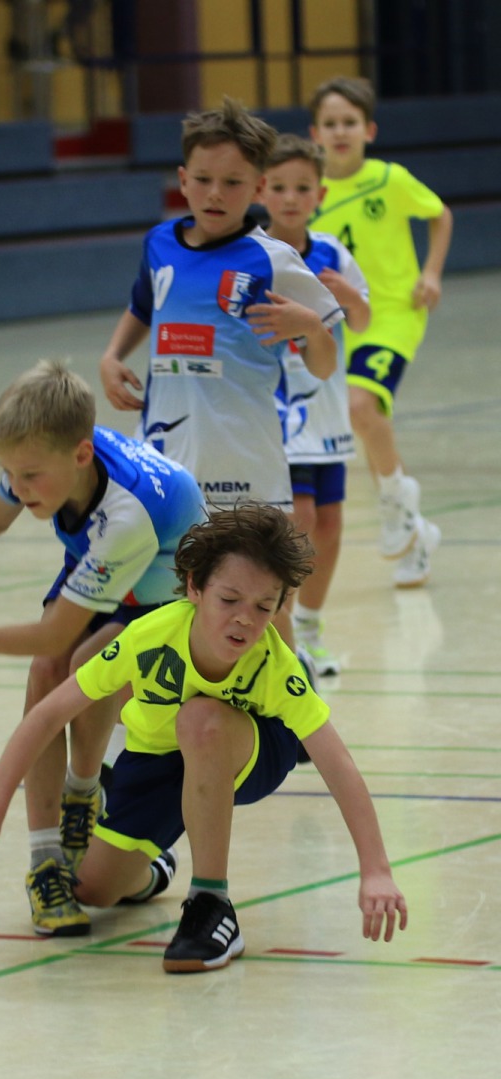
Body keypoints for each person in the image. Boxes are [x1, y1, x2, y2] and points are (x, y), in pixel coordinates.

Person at [0, 503, 408, 970]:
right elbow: (46, 717)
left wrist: (376, 870)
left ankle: (211, 904)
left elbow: (338, 763)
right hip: (159, 757)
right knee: (93, 889)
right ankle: (155, 870)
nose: (245, 618)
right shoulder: (149, 636)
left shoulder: (274, 665)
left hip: (254, 751)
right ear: (195, 587)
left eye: (264, 606)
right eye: (230, 600)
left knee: (200, 721)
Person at [0, 359, 206, 935]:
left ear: (80, 455)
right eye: (9, 474)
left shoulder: (126, 515)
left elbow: (53, 631)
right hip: (114, 567)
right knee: (50, 669)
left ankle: (83, 793)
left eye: (27, 477)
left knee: (84, 660)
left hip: (172, 597)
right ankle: (45, 862)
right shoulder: (47, 454)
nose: (18, 489)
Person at [98, 95, 344, 654]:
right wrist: (112, 355)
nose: (215, 193)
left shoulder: (272, 260)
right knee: (165, 599)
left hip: (246, 460)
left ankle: (288, 703)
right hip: (167, 457)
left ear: (258, 188)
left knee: (264, 601)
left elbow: (325, 364)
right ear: (183, 180)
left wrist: (310, 327)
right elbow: (143, 307)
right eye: (204, 180)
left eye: (232, 183)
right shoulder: (160, 244)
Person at [308, 76, 452, 588]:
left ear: (368, 130)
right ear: (315, 133)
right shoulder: (309, 192)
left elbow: (440, 215)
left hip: (393, 313)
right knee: (369, 422)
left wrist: (431, 273)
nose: (340, 131)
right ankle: (412, 526)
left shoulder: (389, 179)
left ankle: (396, 503)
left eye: (349, 122)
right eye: (330, 123)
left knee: (360, 405)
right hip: (339, 323)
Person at [260, 134, 371, 675]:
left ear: (320, 194)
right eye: (279, 187)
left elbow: (364, 320)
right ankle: (282, 629)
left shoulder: (332, 253)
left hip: (326, 410)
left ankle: (309, 627)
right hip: (278, 411)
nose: (290, 198)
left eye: (302, 188)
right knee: (297, 518)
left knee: (329, 524)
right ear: (261, 190)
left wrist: (348, 299)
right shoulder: (254, 253)